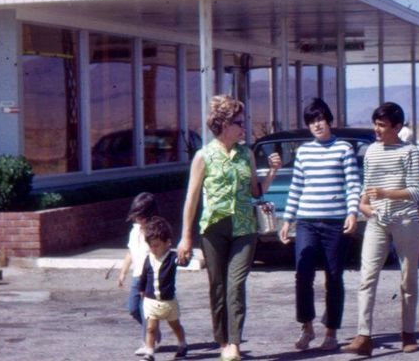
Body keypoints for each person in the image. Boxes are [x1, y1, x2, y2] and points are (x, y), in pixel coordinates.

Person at [178, 94, 281, 361]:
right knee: (218, 286)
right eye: (238, 123)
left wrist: (272, 172)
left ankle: (234, 343)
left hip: (244, 228)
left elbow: (256, 192)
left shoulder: (246, 154)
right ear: (224, 124)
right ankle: (223, 340)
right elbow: (192, 198)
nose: (243, 128)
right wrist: (185, 237)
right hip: (213, 229)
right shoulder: (203, 156)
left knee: (235, 284)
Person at [277, 98, 361, 351]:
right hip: (307, 222)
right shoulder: (303, 152)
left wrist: (352, 213)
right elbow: (296, 187)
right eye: (312, 121)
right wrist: (287, 220)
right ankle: (307, 327)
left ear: (329, 121)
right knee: (303, 274)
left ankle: (331, 332)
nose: (317, 125)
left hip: (335, 224)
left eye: (320, 119)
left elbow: (353, 184)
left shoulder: (344, 149)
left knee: (333, 276)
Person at [343, 102, 419, 357]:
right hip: (377, 222)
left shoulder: (410, 152)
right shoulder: (371, 151)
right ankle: (363, 336)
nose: (376, 130)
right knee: (366, 277)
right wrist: (363, 205)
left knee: (408, 278)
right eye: (375, 124)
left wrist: (386, 193)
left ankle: (408, 333)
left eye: (382, 125)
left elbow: (417, 192)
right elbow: (367, 187)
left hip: (405, 221)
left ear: (397, 127)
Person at [136, 216, 189, 361]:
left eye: (157, 245)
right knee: (151, 328)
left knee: (175, 325)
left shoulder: (172, 258)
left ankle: (182, 344)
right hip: (151, 301)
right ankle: (149, 352)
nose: (153, 249)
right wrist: (141, 290)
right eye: (151, 246)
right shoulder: (149, 258)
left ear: (167, 243)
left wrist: (185, 256)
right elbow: (144, 276)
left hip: (168, 302)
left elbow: (183, 262)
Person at [118, 192, 159, 356]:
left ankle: (148, 342)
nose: (138, 219)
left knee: (146, 310)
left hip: (150, 276)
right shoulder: (134, 231)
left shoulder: (155, 231)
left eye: (141, 215)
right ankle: (154, 333)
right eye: (136, 214)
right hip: (137, 275)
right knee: (133, 308)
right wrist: (123, 272)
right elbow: (130, 252)